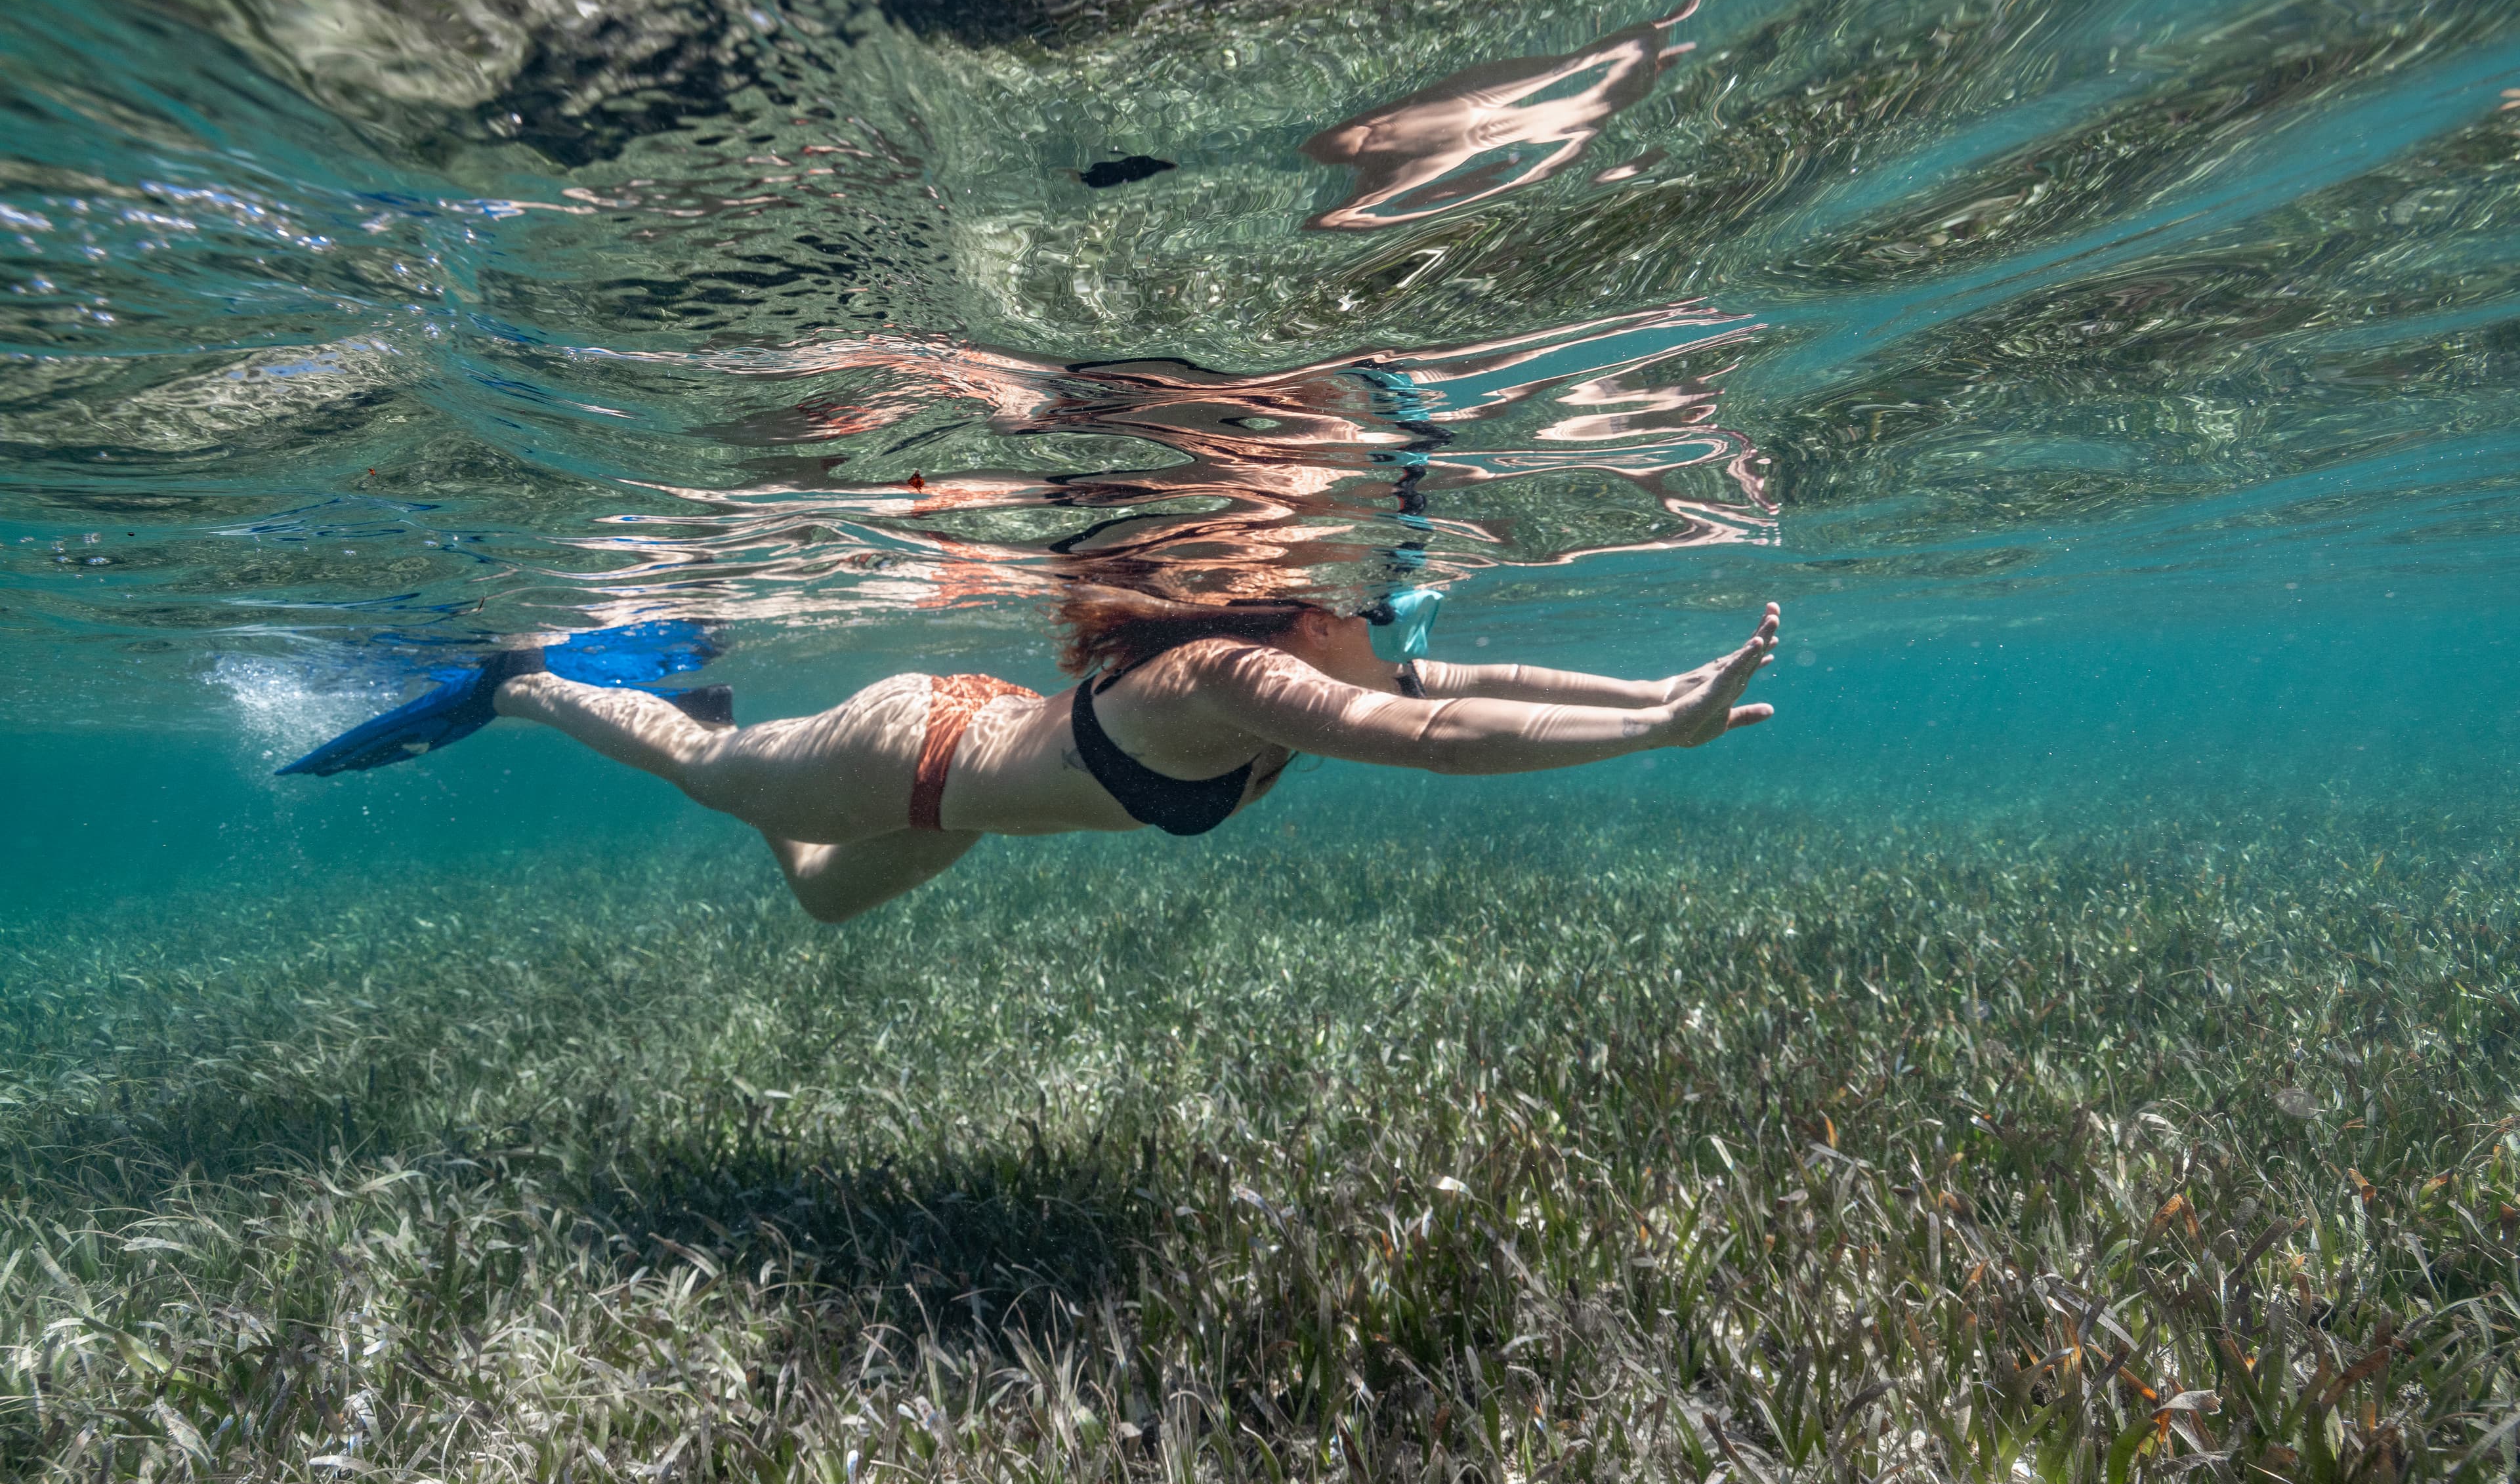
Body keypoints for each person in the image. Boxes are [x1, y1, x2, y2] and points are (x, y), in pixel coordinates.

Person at [287, 588, 1781, 924]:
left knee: (821, 905)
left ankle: (720, 729)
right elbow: (1440, 739)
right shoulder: (1242, 674)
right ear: (1292, 594)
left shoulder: (1342, 641)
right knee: (704, 776)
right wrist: (1651, 735)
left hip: (969, 786)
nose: (1390, 615)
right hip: (909, 754)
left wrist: (1662, 687)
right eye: (1364, 590)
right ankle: (527, 682)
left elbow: (1472, 679)